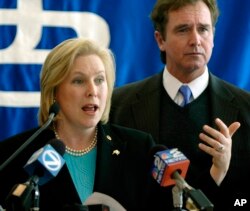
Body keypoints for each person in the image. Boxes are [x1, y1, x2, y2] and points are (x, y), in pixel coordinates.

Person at [110, 0, 250, 210]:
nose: (196, 40)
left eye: (203, 29)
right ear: (160, 40)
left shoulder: (246, 108)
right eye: (183, 30)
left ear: (213, 36)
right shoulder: (118, 105)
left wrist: (220, 174)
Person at [0, 38, 156, 210]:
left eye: (99, 80)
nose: (93, 91)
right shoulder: (14, 155)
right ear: (54, 92)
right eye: (79, 81)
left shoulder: (140, 149)